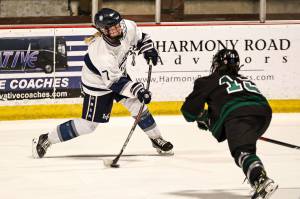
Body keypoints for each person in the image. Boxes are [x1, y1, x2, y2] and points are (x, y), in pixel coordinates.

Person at [32, 8, 173, 159]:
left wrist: (148, 48)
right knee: (88, 126)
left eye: (118, 25)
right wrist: (137, 90)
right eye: (111, 29)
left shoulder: (128, 27)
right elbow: (115, 83)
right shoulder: (101, 52)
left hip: (117, 74)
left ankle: (156, 138)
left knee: (138, 105)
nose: (117, 30)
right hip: (97, 84)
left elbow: (141, 37)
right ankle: (46, 139)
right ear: (103, 30)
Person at [180, 48, 278, 199]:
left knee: (242, 152)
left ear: (217, 64)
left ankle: (260, 179)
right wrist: (207, 118)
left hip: (238, 115)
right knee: (244, 146)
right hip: (263, 114)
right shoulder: (244, 79)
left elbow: (189, 111)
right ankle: (254, 176)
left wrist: (201, 116)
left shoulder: (207, 81)